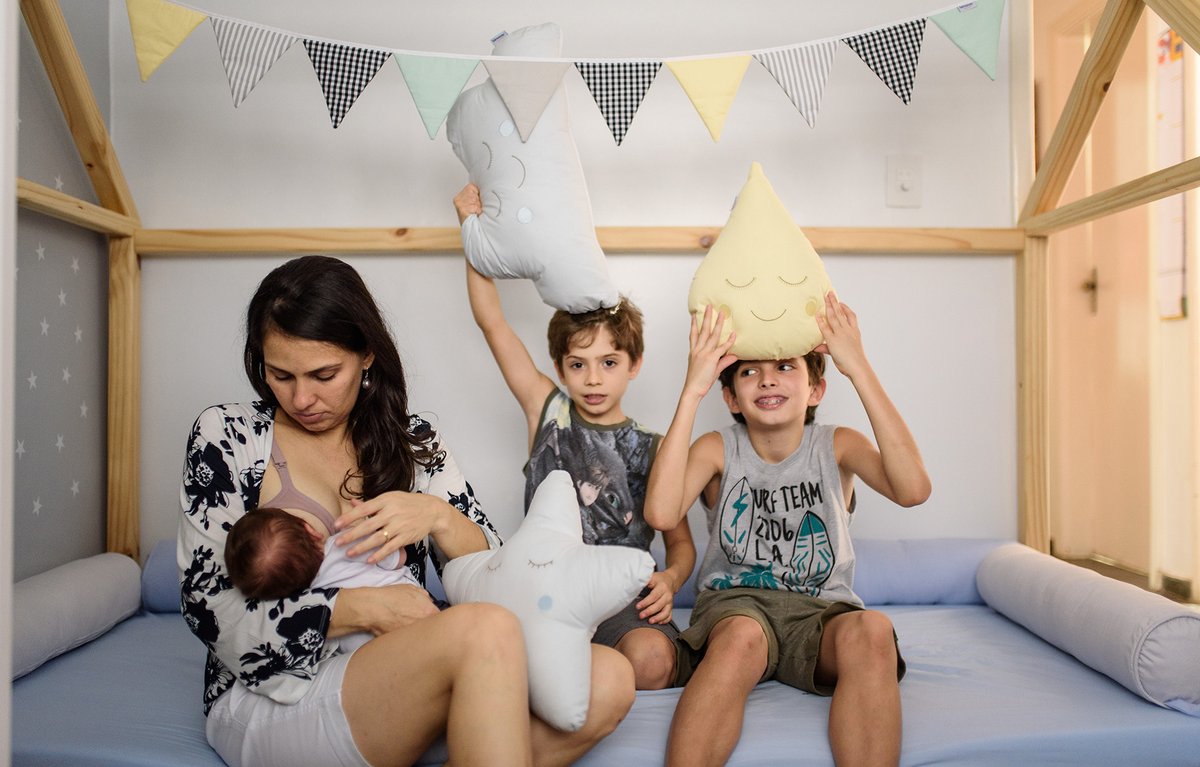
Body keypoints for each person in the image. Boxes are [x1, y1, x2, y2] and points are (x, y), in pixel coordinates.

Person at [179, 255, 634, 767]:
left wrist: (438, 516)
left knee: (609, 678)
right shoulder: (228, 436)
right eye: (280, 375)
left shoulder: (413, 442)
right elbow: (206, 606)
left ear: (367, 355)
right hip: (277, 691)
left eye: (324, 374)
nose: (301, 398)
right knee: (484, 630)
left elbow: (500, 573)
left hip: (396, 674)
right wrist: (363, 609)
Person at [644, 299, 932, 767]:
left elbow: (913, 490)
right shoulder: (717, 449)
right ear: (731, 398)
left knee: (874, 628)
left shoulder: (837, 445)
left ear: (816, 389)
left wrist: (858, 368)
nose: (768, 380)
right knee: (741, 637)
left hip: (819, 613)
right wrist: (692, 391)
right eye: (749, 372)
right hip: (736, 608)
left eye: (784, 366)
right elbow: (660, 513)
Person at [455, 183, 696, 691]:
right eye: (578, 364)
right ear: (560, 367)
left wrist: (671, 579)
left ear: (634, 364)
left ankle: (583, 673)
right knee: (488, 659)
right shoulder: (547, 410)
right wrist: (471, 232)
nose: (592, 379)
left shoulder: (655, 447)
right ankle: (559, 669)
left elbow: (680, 544)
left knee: (654, 660)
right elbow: (492, 322)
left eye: (608, 363)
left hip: (619, 603)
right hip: (540, 589)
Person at [224, 504, 422, 654]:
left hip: (374, 659)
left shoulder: (311, 607)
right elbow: (399, 558)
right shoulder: (346, 543)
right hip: (416, 614)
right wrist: (375, 529)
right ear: (310, 530)